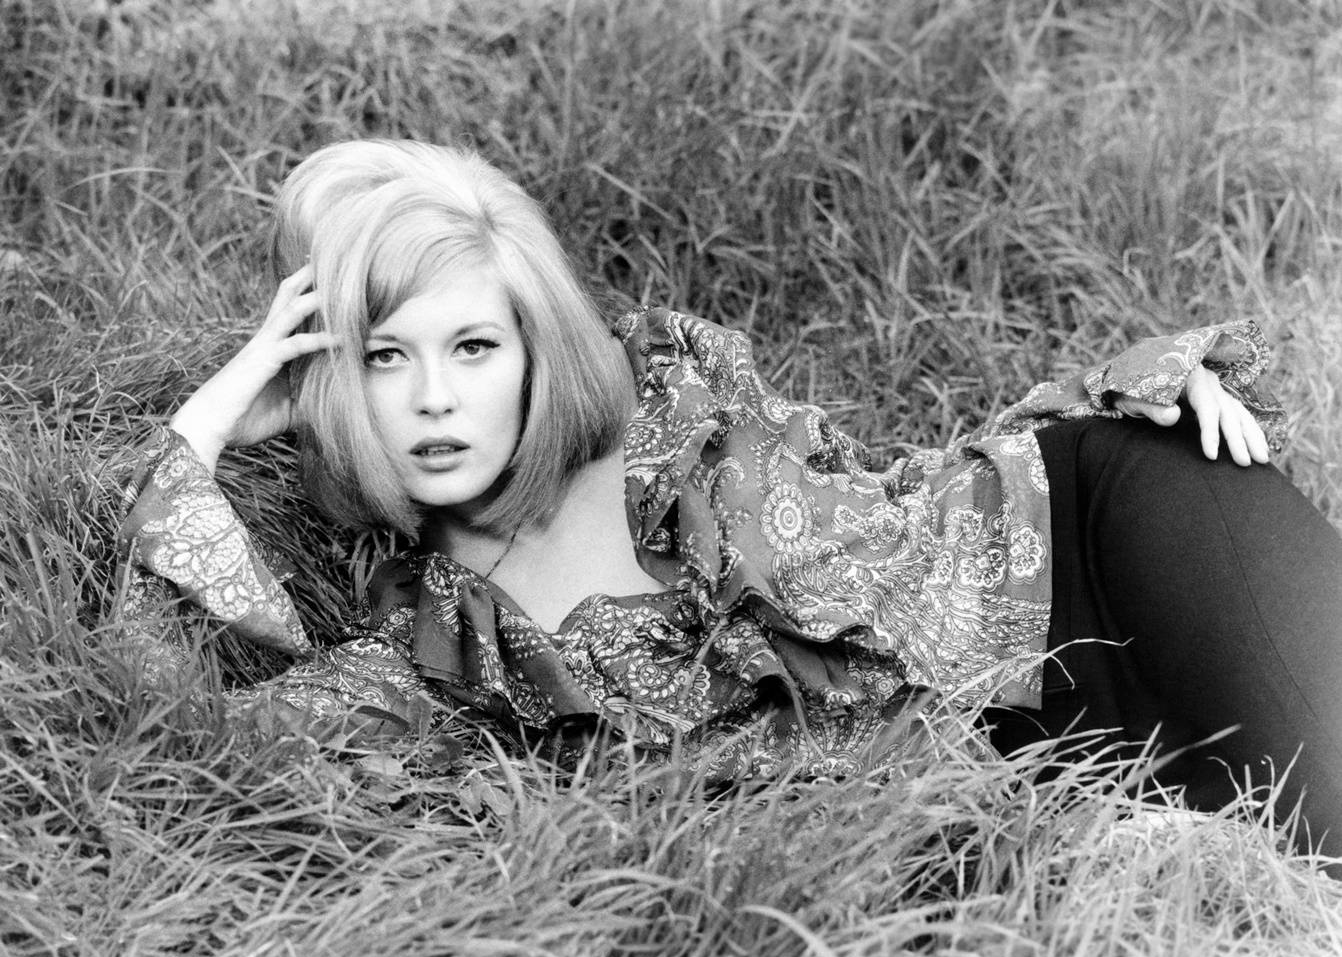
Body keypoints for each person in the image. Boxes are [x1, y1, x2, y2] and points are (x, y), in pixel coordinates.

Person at [118, 139, 1342, 859]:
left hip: (1084, 539)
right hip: (1026, 755)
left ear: (536, 348)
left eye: (474, 347)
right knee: (1257, 870)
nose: (434, 398)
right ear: (336, 380)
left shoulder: (670, 396)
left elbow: (908, 503)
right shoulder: (435, 658)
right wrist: (208, 425)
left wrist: (1148, 394)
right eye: (386, 357)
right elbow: (174, 747)